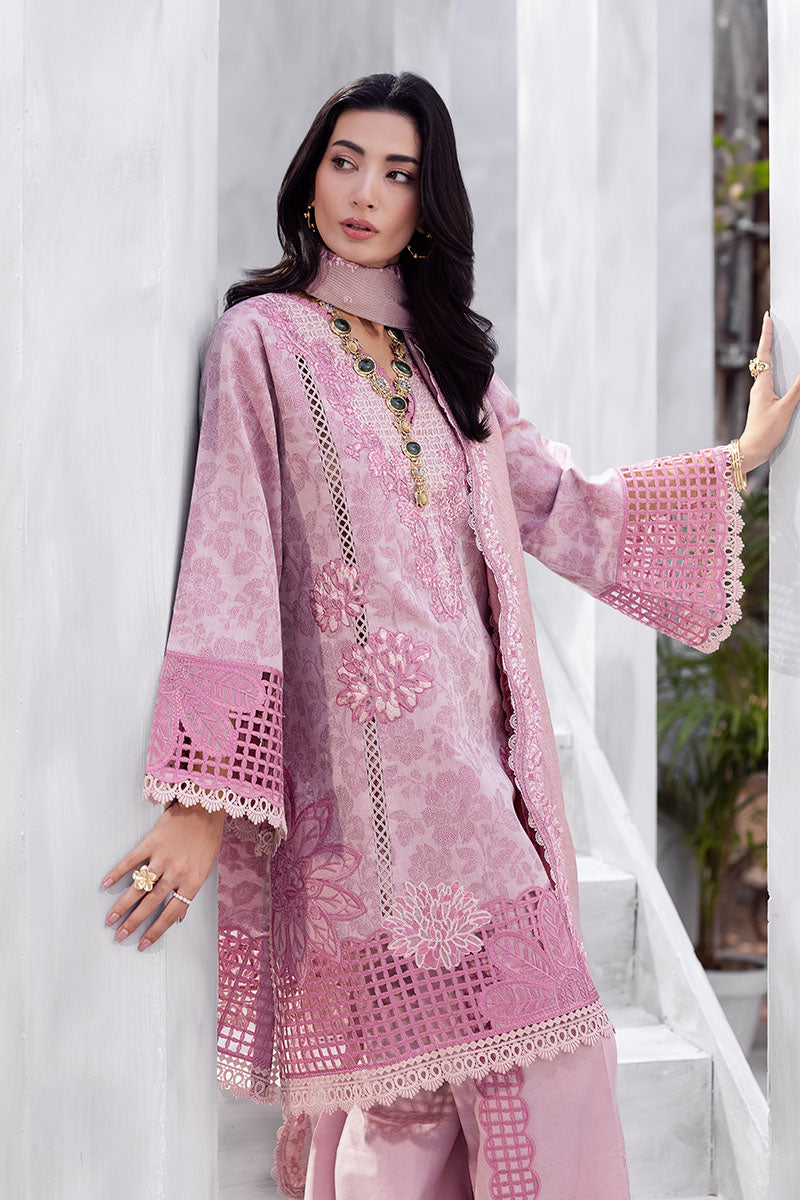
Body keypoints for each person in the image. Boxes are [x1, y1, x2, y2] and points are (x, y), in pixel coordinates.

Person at [100, 72, 799, 1199]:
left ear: (429, 203)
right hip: (360, 800)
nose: (363, 194)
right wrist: (201, 801)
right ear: (309, 175)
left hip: (481, 780)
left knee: (552, 1063)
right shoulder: (261, 343)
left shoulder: (449, 365)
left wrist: (736, 461)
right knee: (403, 1101)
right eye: (344, 162)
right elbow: (230, 555)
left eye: (397, 173)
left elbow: (562, 504)